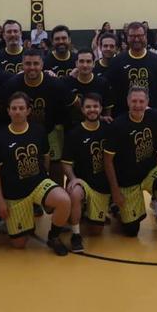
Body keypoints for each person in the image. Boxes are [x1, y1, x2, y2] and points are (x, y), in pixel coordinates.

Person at [0, 49, 78, 187]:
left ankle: (57, 193)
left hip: (49, 130)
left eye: (35, 63)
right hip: (19, 132)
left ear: (42, 64)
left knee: (55, 164)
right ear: (22, 65)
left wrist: (96, 117)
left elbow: (76, 103)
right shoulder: (13, 84)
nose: (32, 67)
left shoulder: (55, 83)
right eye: (28, 64)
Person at [0, 92, 72, 255]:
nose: (17, 112)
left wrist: (44, 178)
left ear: (28, 111)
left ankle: (54, 237)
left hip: (37, 184)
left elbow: (46, 157)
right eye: (14, 108)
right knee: (19, 244)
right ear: (8, 111)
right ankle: (16, 219)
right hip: (15, 193)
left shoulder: (38, 130)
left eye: (21, 108)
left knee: (64, 200)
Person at [103, 86, 157, 237]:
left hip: (149, 172)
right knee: (131, 231)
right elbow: (108, 161)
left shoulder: (154, 115)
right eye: (134, 101)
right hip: (127, 181)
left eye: (141, 101)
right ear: (127, 102)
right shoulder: (118, 125)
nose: (137, 105)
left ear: (147, 102)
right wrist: (115, 191)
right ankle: (117, 207)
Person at [62, 93, 112, 252]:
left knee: (96, 232)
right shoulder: (74, 133)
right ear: (82, 110)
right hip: (83, 181)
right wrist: (72, 178)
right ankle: (76, 234)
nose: (92, 110)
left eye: (95, 106)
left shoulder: (109, 129)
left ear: (101, 109)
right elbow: (66, 163)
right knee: (75, 192)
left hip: (102, 185)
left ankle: (85, 212)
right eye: (88, 107)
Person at [105, 22, 157, 115]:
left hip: (152, 116)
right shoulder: (117, 61)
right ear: (127, 37)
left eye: (140, 36)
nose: (136, 39)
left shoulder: (156, 60)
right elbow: (108, 91)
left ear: (145, 36)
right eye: (132, 36)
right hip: (124, 116)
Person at [64, 49, 113, 120]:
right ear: (76, 64)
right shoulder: (67, 82)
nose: (85, 65)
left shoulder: (102, 83)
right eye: (81, 61)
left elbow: (107, 110)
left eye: (88, 61)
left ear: (93, 64)